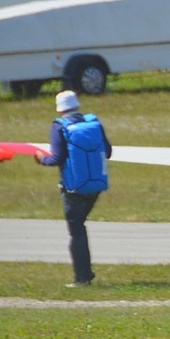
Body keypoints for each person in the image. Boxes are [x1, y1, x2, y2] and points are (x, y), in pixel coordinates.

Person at [37, 90, 112, 286]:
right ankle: (85, 274)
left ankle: (83, 277)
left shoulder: (59, 126)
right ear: (77, 105)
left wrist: (40, 159)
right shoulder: (93, 123)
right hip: (95, 187)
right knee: (80, 226)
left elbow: (57, 158)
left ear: (60, 108)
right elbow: (108, 152)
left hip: (74, 189)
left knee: (77, 231)